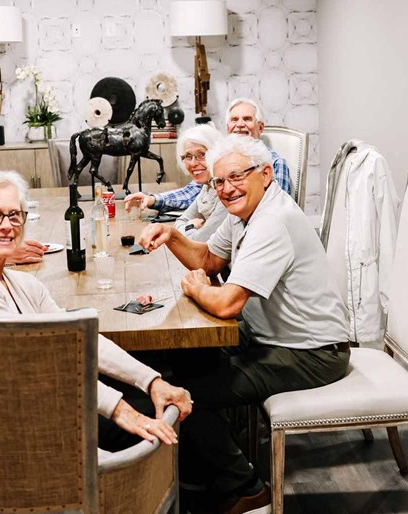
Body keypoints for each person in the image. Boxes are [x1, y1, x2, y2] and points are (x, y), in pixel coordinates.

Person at [138, 135, 349, 514]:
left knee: (186, 394)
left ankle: (244, 488)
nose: (226, 188)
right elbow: (208, 258)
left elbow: (227, 303)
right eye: (219, 181)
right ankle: (203, 470)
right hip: (269, 337)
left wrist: (199, 288)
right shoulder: (244, 213)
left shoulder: (272, 221)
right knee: (181, 358)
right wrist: (172, 236)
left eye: (236, 177)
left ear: (265, 175)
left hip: (312, 352)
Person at [0, 169, 194, 449]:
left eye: (14, 215)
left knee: (162, 395)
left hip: (31, 409)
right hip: (1, 437)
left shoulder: (19, 282)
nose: (6, 225)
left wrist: (151, 381)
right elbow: (37, 366)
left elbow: (78, 339)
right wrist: (122, 412)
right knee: (165, 418)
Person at [169, 124, 228, 242]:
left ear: (217, 154)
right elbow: (180, 221)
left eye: (202, 155)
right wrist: (191, 228)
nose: (193, 163)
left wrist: (191, 227)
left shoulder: (227, 190)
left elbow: (198, 240)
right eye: (188, 156)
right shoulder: (208, 188)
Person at [225, 97, 292, 196]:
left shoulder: (277, 164)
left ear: (260, 128)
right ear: (228, 128)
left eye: (247, 119)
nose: (240, 124)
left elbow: (280, 204)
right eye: (234, 120)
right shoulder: (219, 162)